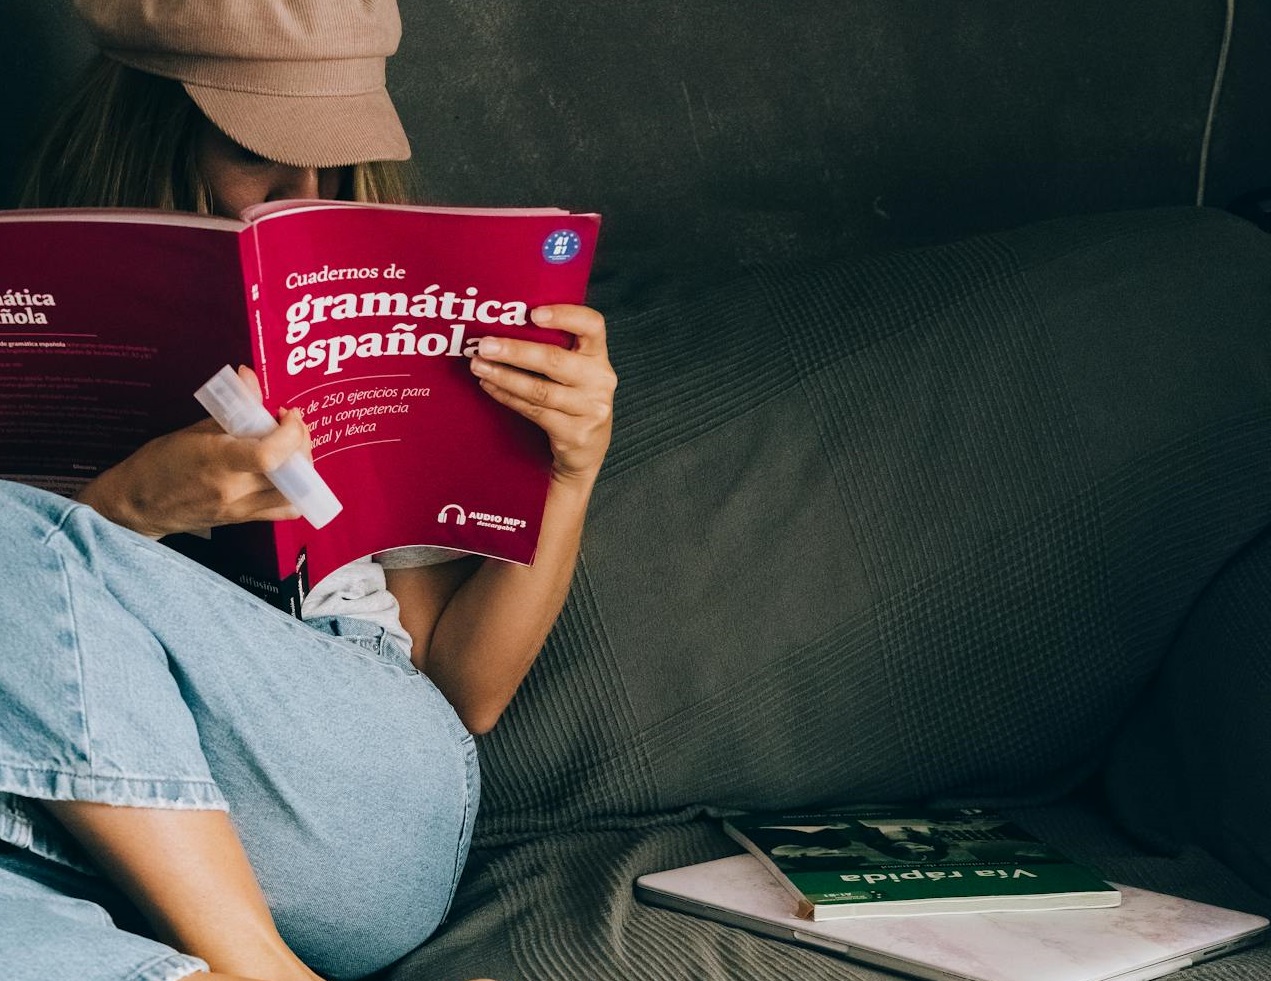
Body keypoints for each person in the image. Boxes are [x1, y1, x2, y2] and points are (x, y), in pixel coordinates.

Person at [0, 2, 616, 980]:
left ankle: (253, 963)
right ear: (145, 124)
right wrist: (130, 511)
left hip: (350, 801)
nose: (305, 191)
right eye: (261, 153)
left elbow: (463, 691)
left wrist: (569, 471)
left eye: (333, 161)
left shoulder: (380, 312)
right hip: (85, 843)